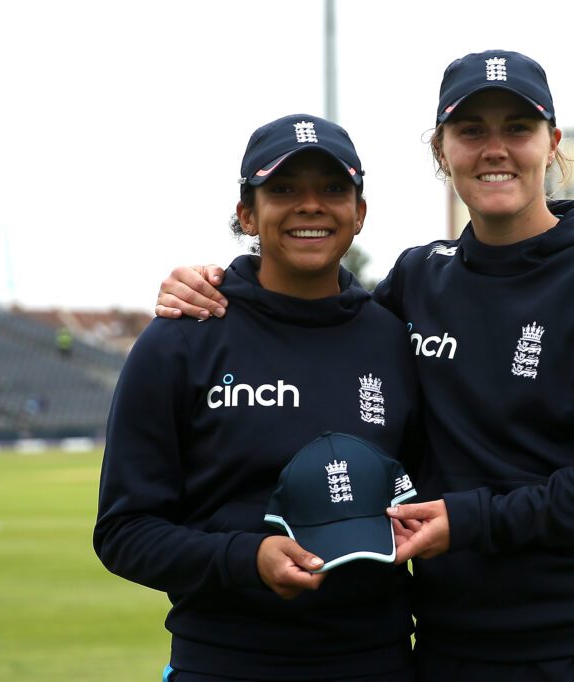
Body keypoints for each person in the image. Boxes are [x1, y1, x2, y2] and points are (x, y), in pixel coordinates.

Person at [157, 50, 574, 681]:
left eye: (518, 128)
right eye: (471, 131)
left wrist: (476, 520)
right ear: (441, 149)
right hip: (448, 648)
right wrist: (222, 285)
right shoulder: (416, 281)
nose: (495, 149)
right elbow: (313, 343)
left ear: (553, 143)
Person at [94, 114, 421, 681]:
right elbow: (124, 531)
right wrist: (246, 559)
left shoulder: (395, 339)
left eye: (333, 188)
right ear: (247, 213)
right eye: (284, 189)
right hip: (224, 663)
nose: (310, 205)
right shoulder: (182, 337)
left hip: (378, 662)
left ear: (359, 213)